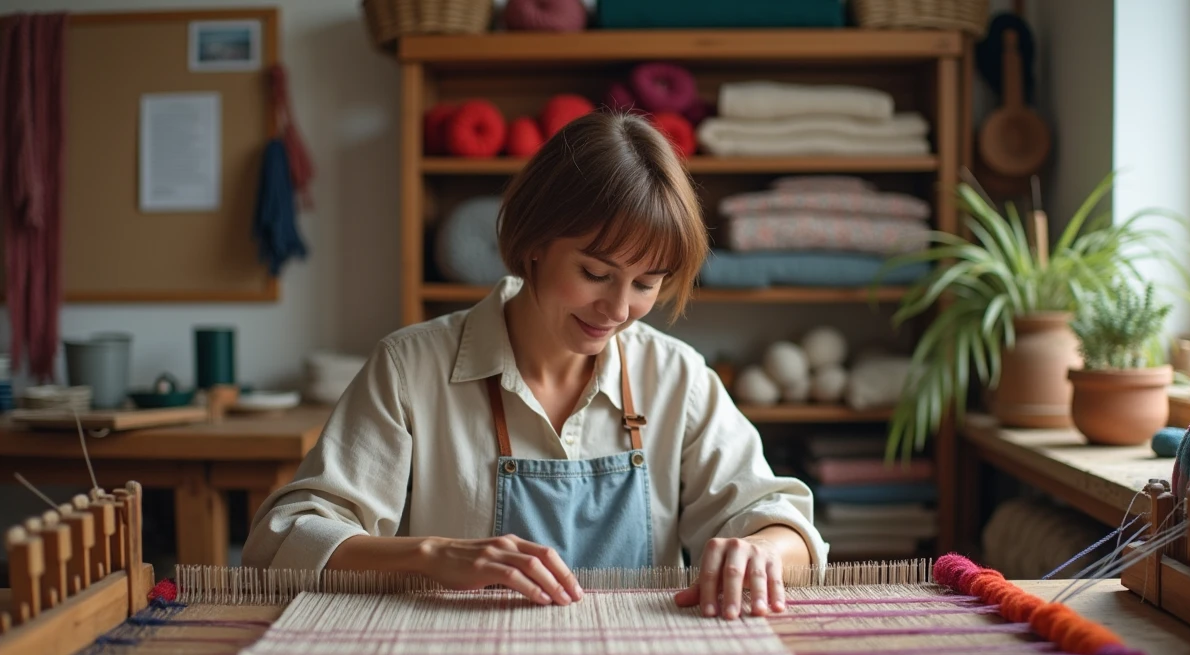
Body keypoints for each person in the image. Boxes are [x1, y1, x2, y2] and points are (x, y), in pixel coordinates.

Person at [243, 112, 828, 620]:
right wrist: (430, 556)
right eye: (595, 274)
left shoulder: (677, 377)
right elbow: (282, 540)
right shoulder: (410, 369)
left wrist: (763, 550)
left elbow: (780, 522)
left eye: (647, 284)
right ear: (536, 243)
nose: (619, 310)